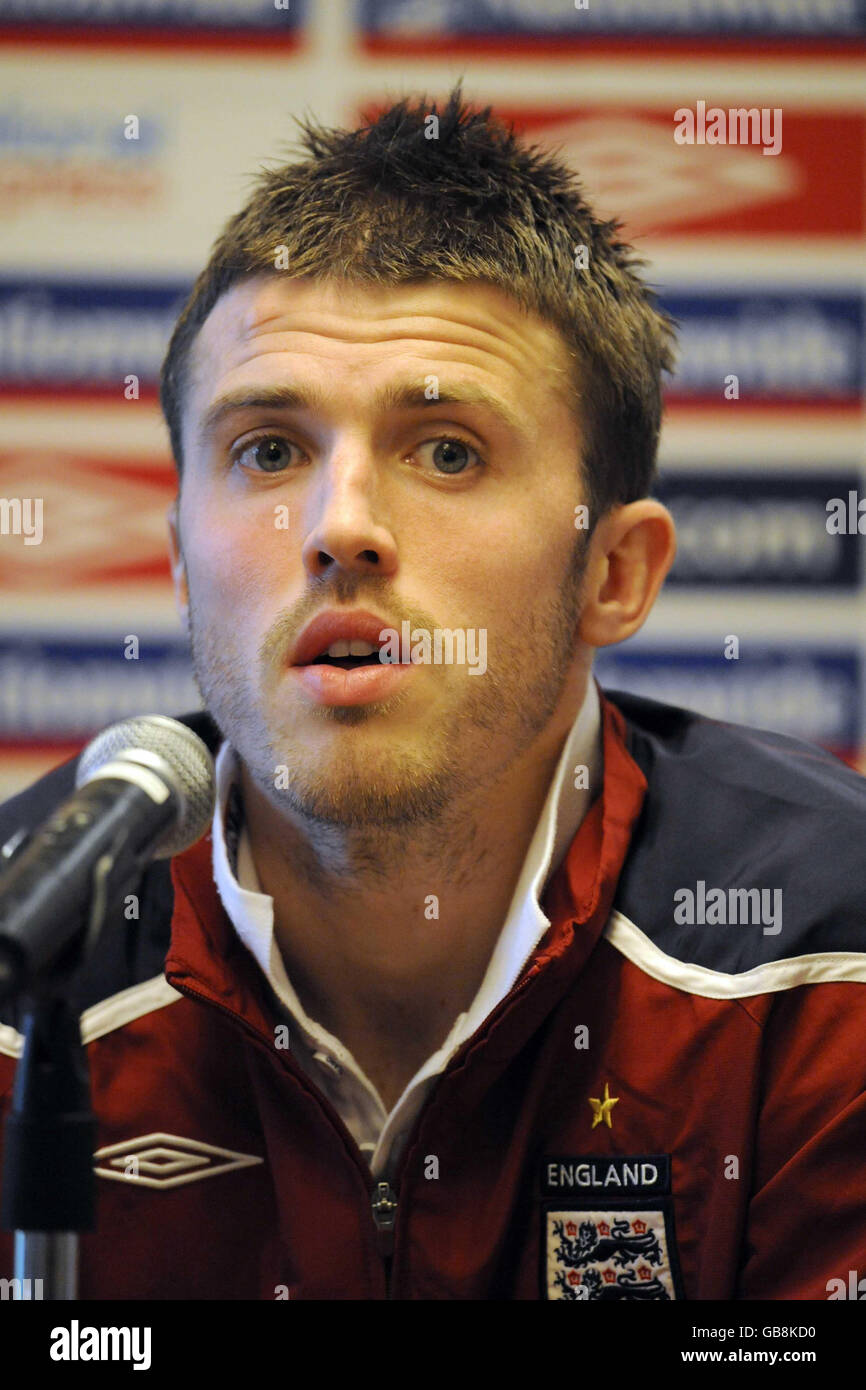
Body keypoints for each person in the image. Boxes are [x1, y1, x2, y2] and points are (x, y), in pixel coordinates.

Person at [1, 86, 864, 1301]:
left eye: (447, 450)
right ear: (183, 557)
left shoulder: (826, 959)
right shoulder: (24, 969)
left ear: (611, 574)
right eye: (268, 450)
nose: (338, 526)